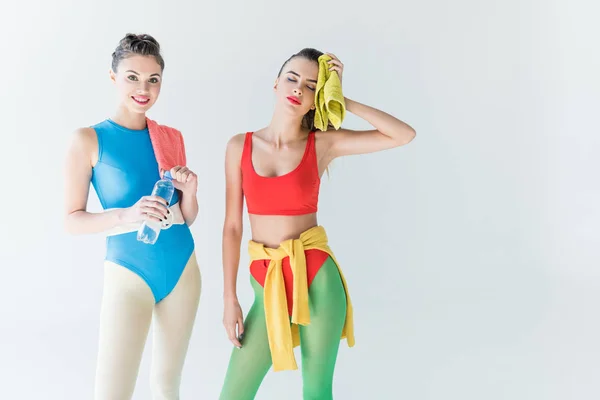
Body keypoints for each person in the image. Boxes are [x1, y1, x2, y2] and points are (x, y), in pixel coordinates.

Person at [219, 48, 416, 399]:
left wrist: (341, 99)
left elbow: (403, 135)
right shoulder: (239, 145)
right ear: (276, 84)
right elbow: (232, 227)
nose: (298, 88)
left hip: (317, 278)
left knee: (317, 391)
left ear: (315, 100)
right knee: (234, 394)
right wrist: (229, 297)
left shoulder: (322, 144)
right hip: (267, 280)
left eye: (311, 86)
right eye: (292, 78)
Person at [63, 33, 201, 399]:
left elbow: (186, 218)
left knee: (166, 386)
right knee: (112, 392)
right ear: (113, 78)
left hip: (183, 268)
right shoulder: (88, 140)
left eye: (153, 79)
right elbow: (72, 220)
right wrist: (127, 215)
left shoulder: (170, 137)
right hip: (128, 271)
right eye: (132, 77)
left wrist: (191, 192)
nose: (144, 88)